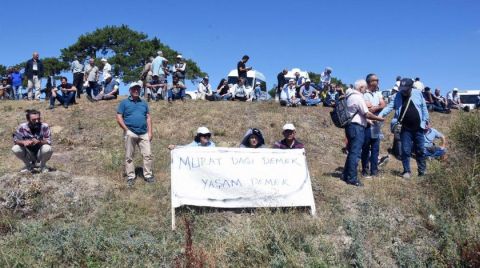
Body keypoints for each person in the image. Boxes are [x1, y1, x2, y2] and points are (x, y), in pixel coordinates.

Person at [379, 78, 429, 179]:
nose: (404, 91)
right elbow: (389, 107)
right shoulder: (397, 96)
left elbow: (424, 108)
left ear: (411, 87)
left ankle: (422, 171)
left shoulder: (418, 93)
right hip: (405, 129)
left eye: (406, 89)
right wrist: (380, 116)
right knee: (405, 150)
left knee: (420, 150)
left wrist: (426, 121)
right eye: (402, 89)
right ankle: (407, 171)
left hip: (418, 128)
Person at [342, 80, 385, 187]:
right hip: (357, 128)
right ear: (361, 87)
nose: (365, 90)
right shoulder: (358, 97)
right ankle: (352, 178)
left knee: (352, 151)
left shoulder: (350, 96)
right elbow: (366, 113)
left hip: (351, 126)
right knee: (355, 153)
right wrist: (379, 118)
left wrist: (370, 120)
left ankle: (345, 174)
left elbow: (360, 114)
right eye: (365, 88)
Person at [116, 82, 154, 186]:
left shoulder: (144, 103)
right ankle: (131, 177)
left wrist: (150, 132)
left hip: (144, 133)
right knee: (129, 156)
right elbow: (119, 117)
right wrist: (126, 130)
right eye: (134, 89)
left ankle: (148, 175)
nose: (136, 90)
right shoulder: (124, 103)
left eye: (138, 88)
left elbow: (148, 117)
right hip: (130, 132)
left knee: (148, 155)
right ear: (130, 90)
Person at [361, 74, 386, 178]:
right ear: (370, 82)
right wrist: (378, 107)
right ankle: (365, 171)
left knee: (375, 149)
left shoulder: (378, 93)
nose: (378, 81)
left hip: (376, 126)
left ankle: (374, 171)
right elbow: (368, 108)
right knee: (366, 148)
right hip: (367, 125)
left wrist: (376, 107)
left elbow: (383, 104)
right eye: (376, 80)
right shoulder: (365, 94)